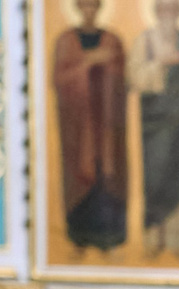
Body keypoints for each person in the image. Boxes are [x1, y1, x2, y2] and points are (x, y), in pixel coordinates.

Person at [129, 0, 179, 259]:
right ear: (156, 13)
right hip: (155, 125)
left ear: (178, 12)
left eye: (172, 10)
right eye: (162, 10)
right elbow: (134, 78)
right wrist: (160, 63)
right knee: (156, 179)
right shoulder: (146, 41)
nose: (168, 15)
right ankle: (154, 239)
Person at [53, 0, 129, 252]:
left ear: (98, 9)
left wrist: (107, 66)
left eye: (93, 6)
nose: (88, 10)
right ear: (77, 8)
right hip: (78, 127)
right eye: (84, 6)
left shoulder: (112, 40)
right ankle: (79, 239)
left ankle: (110, 240)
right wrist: (87, 62)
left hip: (107, 126)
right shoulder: (65, 41)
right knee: (79, 178)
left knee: (108, 178)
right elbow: (59, 79)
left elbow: (123, 79)